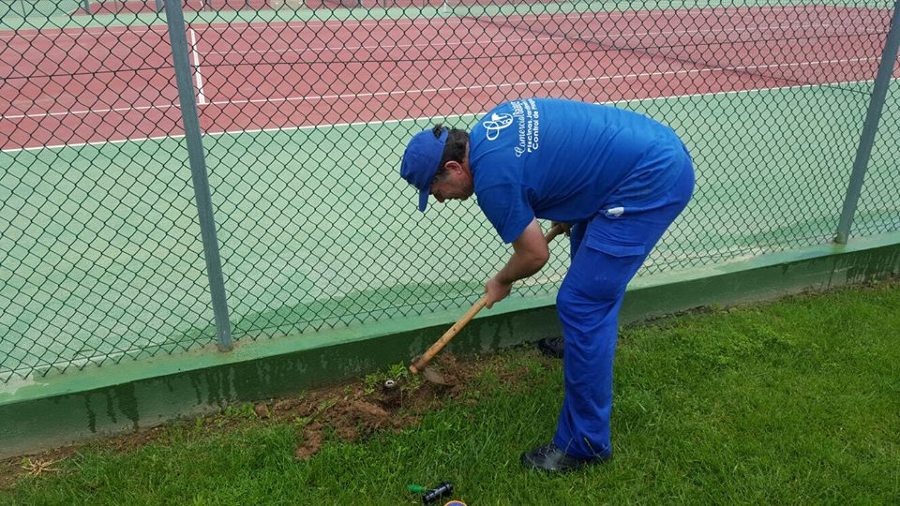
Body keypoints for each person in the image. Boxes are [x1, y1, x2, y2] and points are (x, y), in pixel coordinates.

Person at [399, 97, 695, 473]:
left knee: (582, 303)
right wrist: (569, 205)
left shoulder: (493, 181)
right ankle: (581, 345)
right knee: (586, 265)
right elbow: (554, 162)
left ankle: (584, 444)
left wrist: (501, 280)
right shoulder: (490, 130)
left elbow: (534, 255)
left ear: (455, 167)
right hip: (643, 153)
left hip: (650, 178)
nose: (440, 200)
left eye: (435, 189)